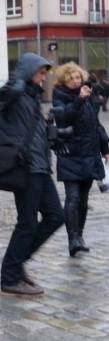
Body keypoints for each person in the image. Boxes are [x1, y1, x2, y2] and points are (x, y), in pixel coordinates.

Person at [0, 52, 65, 296]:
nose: (44, 78)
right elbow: (6, 95)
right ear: (27, 71)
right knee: (27, 223)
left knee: (56, 216)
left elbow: (33, 130)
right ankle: (10, 277)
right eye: (40, 72)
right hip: (25, 167)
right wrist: (21, 79)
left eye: (45, 73)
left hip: (41, 166)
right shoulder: (11, 94)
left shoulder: (32, 97)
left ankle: (17, 262)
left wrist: (57, 134)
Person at [51, 62, 109, 257]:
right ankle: (72, 239)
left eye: (78, 77)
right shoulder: (59, 96)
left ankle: (80, 236)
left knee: (83, 201)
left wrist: (105, 147)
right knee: (72, 198)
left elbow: (96, 125)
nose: (76, 81)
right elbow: (64, 119)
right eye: (71, 78)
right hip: (71, 154)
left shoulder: (89, 96)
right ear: (64, 81)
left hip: (89, 154)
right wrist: (79, 100)